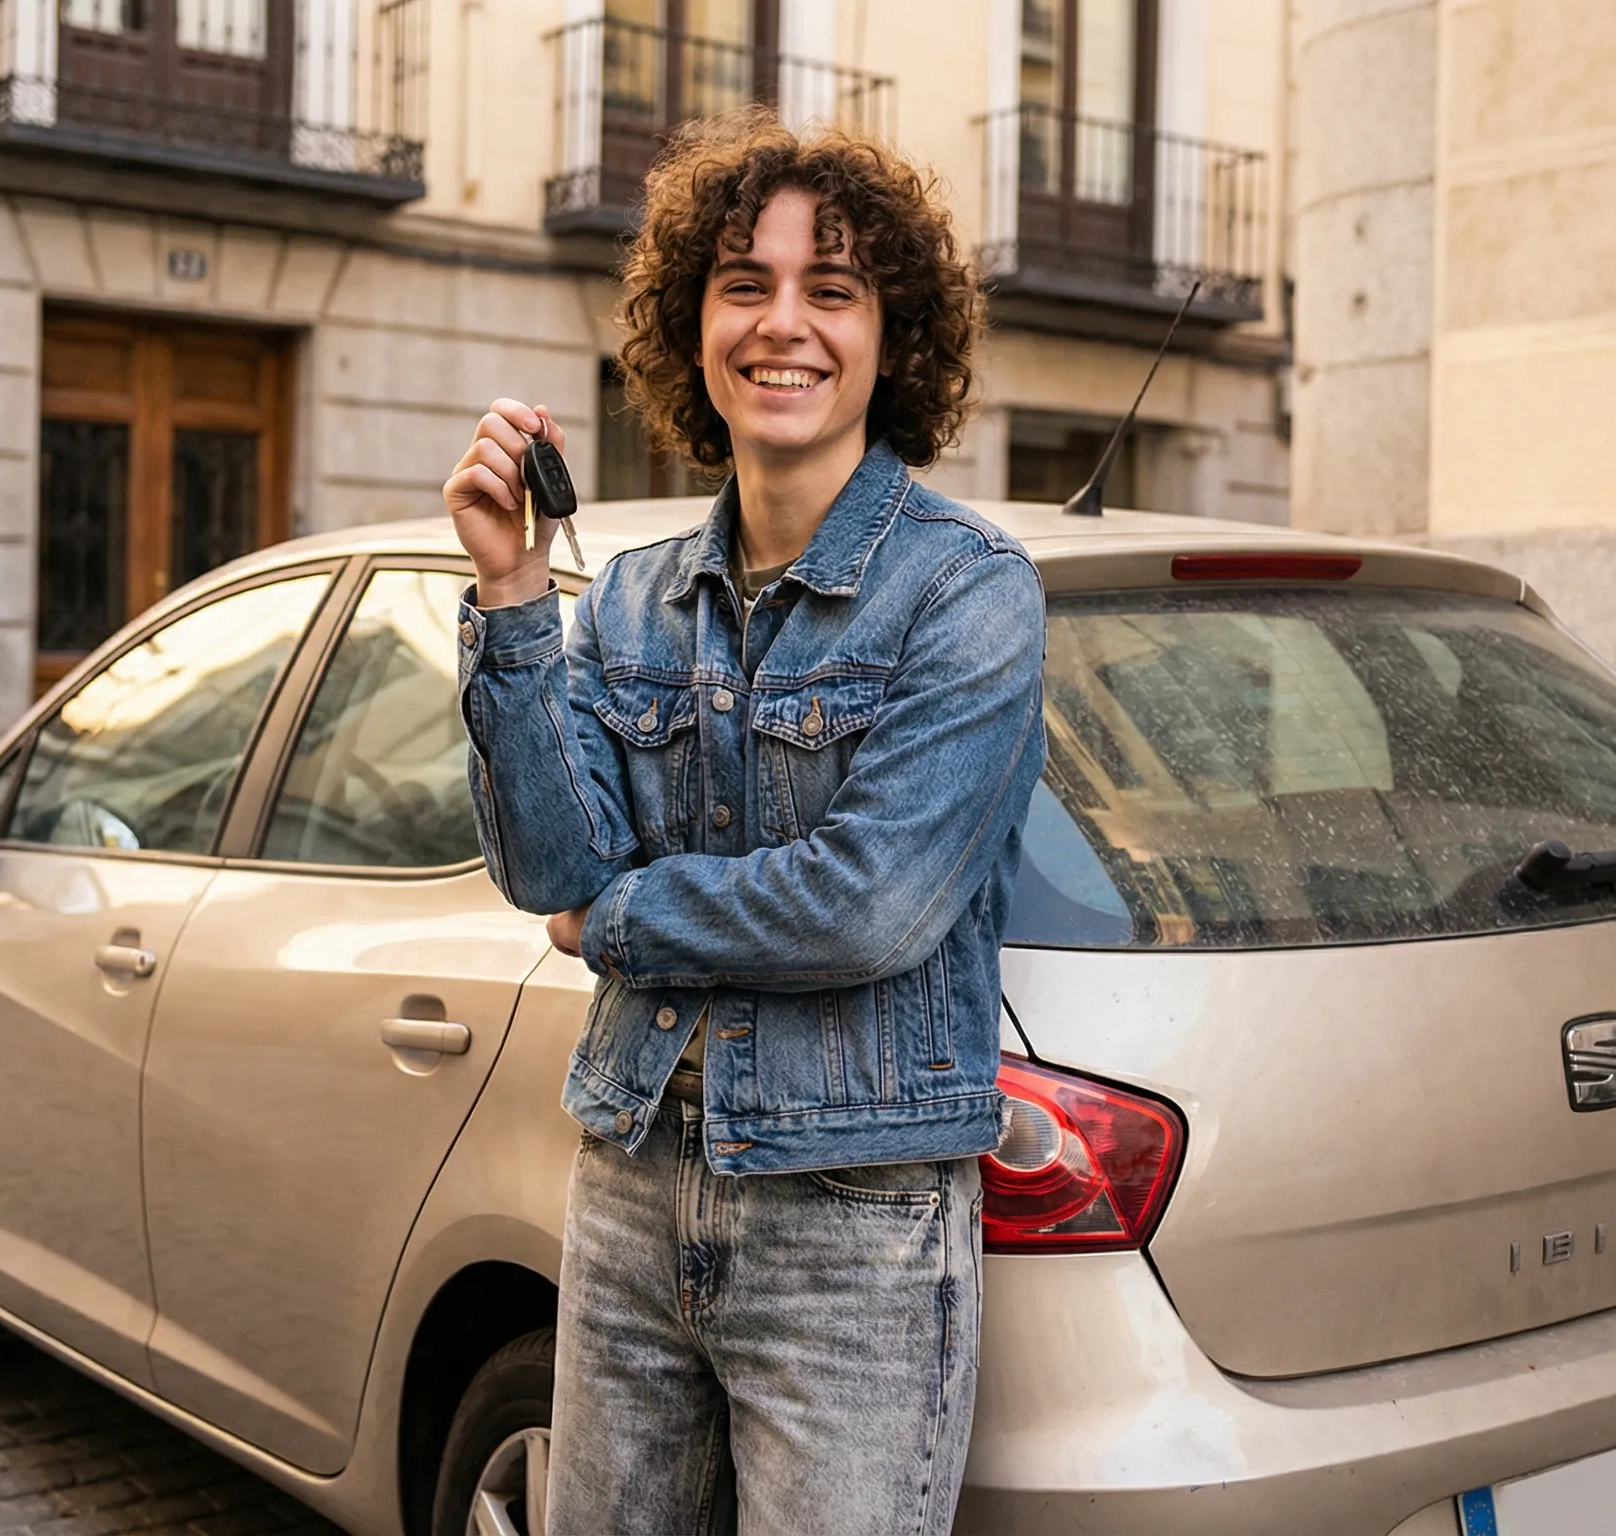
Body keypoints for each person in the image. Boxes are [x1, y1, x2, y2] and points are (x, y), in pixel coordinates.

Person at [441, 109, 1046, 1534]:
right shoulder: (629, 598)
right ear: (691, 325)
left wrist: (622, 921)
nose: (785, 324)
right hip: (635, 1182)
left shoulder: (967, 595)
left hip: (857, 1219)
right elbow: (545, 864)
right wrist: (516, 599)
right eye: (744, 285)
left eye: (830, 290)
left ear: (893, 338)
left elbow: (869, 902)